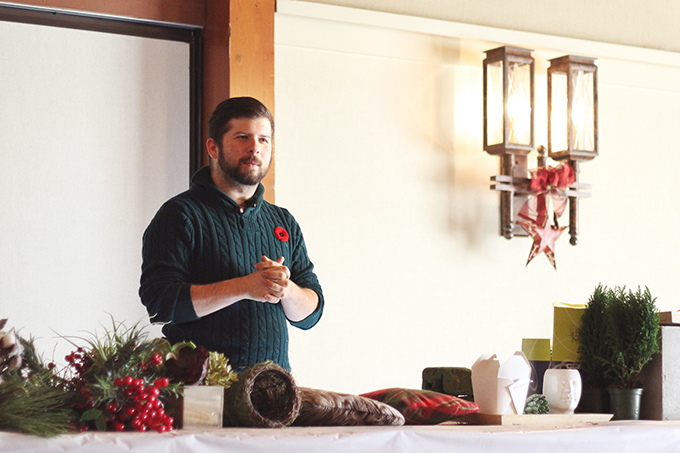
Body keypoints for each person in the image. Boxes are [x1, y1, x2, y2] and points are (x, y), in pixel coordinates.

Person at [139, 96, 324, 372]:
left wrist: (286, 290)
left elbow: (310, 315)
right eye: (242, 137)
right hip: (200, 393)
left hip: (274, 393)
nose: (255, 148)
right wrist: (245, 287)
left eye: (264, 140)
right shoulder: (180, 214)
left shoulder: (283, 221)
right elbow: (160, 304)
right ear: (213, 147)